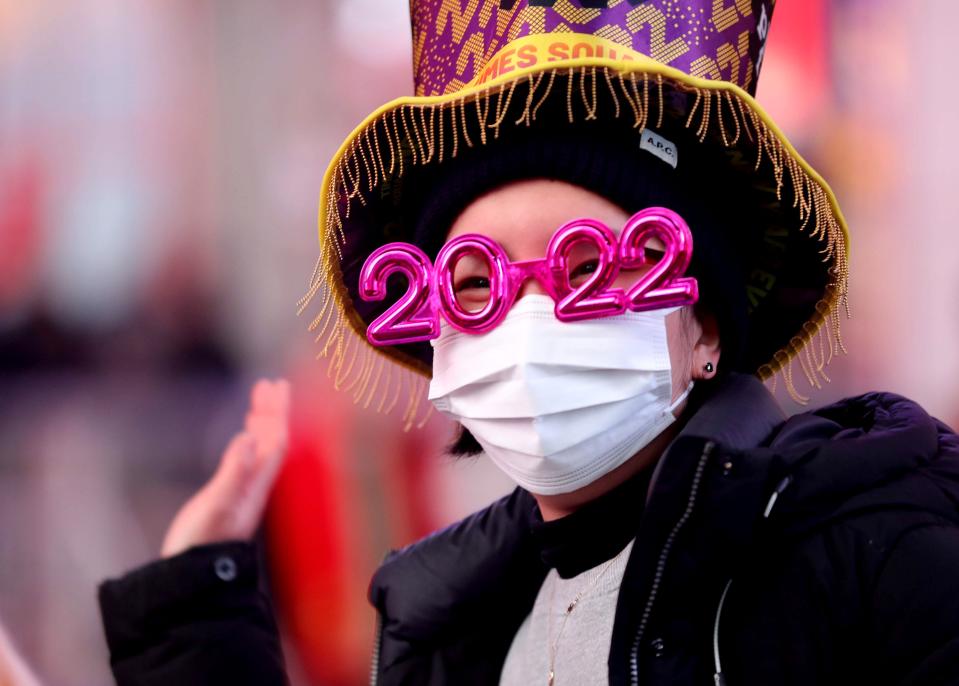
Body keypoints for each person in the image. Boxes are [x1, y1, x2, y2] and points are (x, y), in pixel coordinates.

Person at [98, 2, 959, 685]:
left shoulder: (875, 557)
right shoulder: (449, 623)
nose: (530, 315)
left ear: (703, 327)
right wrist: (193, 618)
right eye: (474, 282)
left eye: (589, 264)